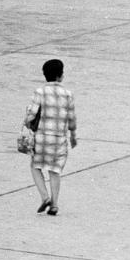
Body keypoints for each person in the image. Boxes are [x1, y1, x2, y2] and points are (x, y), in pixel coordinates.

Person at [27, 58, 77, 215]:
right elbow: (72, 119)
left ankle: (45, 197)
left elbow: (31, 115)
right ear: (61, 76)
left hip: (41, 137)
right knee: (55, 170)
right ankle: (54, 204)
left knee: (35, 166)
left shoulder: (40, 92)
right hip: (59, 138)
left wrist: (28, 124)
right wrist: (73, 135)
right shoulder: (68, 94)